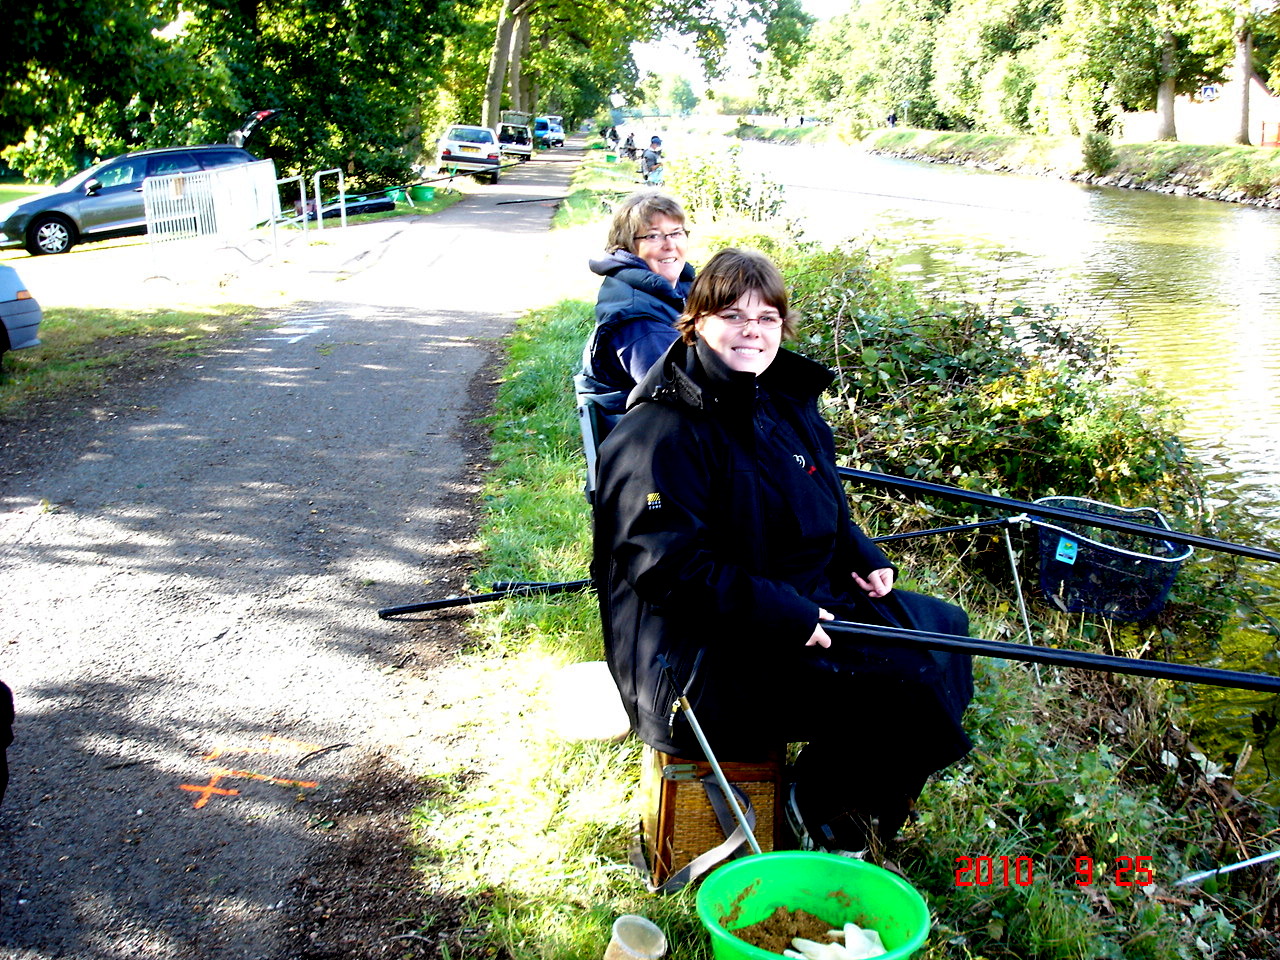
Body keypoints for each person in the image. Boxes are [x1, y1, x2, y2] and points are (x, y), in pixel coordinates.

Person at [592, 247, 974, 854]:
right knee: (910, 681)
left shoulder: (778, 398)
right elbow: (668, 569)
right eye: (732, 315)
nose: (752, 331)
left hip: (795, 594)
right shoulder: (659, 432)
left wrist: (860, 550)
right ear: (696, 321)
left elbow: (821, 491)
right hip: (697, 652)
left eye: (767, 317)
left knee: (945, 632)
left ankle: (831, 791)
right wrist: (789, 617)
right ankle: (824, 814)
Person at [578, 190, 694, 417]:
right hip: (656, 440)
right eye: (653, 236)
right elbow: (684, 400)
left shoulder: (674, 289)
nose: (670, 245)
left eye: (676, 233)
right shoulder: (641, 324)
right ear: (628, 246)